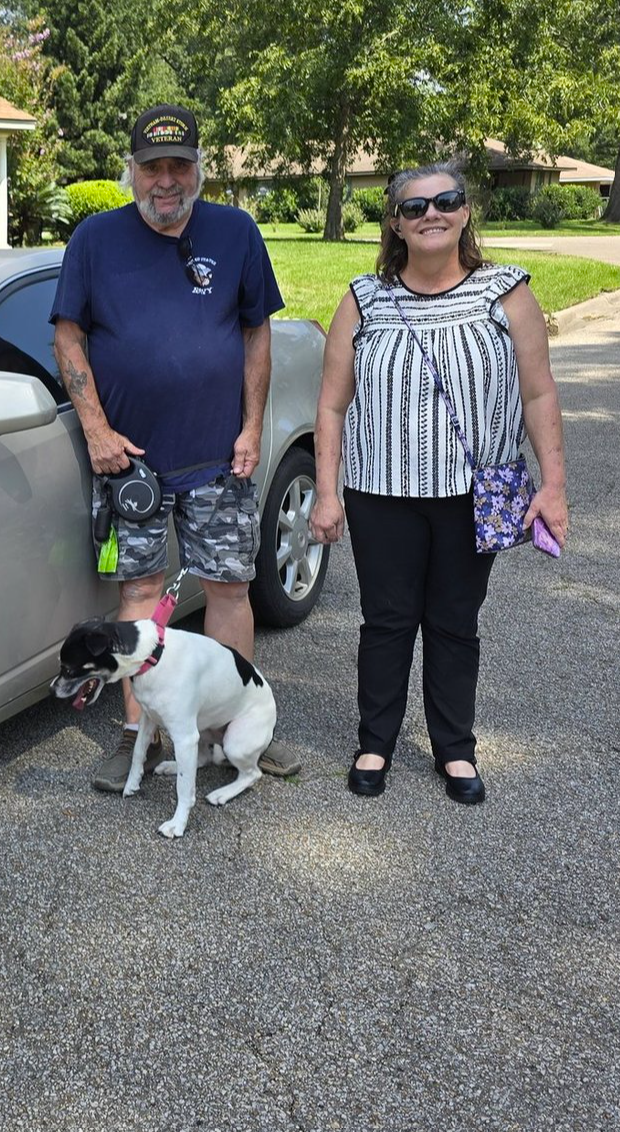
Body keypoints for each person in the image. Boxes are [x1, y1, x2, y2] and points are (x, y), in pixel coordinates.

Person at [49, 104, 302, 791]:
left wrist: (251, 428)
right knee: (139, 590)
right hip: (132, 465)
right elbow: (68, 337)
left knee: (229, 588)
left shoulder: (237, 232)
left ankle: (234, 727)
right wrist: (97, 430)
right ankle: (138, 734)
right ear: (131, 171)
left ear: (199, 168)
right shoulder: (95, 240)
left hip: (219, 457)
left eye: (180, 166)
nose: (167, 180)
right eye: (153, 166)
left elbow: (256, 333)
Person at [307, 161, 569, 804]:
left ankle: (455, 749)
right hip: (380, 493)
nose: (432, 214)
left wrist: (554, 484)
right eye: (415, 207)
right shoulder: (364, 299)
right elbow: (332, 405)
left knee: (455, 623)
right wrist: (328, 489)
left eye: (446, 201)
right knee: (387, 621)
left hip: (471, 497)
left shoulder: (507, 293)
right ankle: (376, 743)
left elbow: (538, 392)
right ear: (394, 222)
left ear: (465, 212)